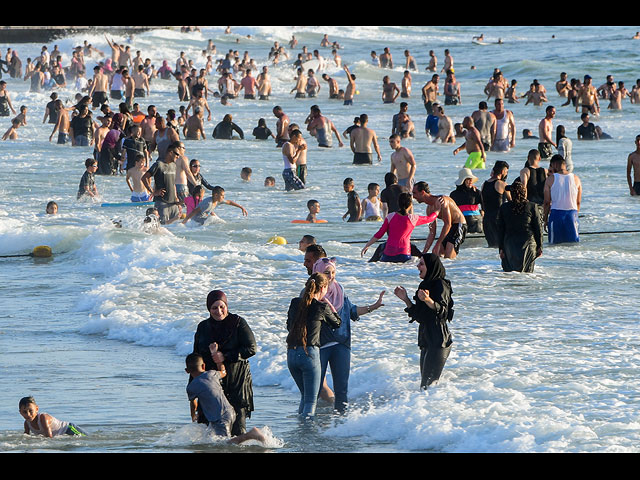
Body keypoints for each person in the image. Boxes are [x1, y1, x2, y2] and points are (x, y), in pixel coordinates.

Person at [312, 257, 385, 413]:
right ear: (317, 272)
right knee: (315, 388)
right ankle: (310, 424)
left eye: (333, 272)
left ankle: (341, 423)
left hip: (341, 344)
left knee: (342, 389)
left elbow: (352, 311)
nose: (330, 276)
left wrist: (374, 307)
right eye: (326, 272)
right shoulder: (311, 294)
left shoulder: (340, 291)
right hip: (320, 346)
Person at [192, 290, 257, 436]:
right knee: (208, 432)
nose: (219, 311)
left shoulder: (238, 323)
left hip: (236, 381)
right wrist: (194, 387)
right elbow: (196, 358)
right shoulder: (203, 327)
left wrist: (225, 356)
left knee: (237, 429)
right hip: (211, 386)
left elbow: (251, 348)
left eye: (222, 307)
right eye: (214, 308)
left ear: (227, 306)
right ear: (209, 309)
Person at [393, 253, 454, 389]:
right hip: (426, 339)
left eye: (421, 264)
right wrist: (406, 299)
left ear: (430, 266)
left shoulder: (441, 284)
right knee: (426, 385)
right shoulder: (424, 285)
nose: (418, 266)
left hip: (439, 341)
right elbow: (419, 316)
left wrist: (428, 300)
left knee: (427, 386)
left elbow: (443, 312)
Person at [286, 273, 342, 418]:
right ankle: (306, 435)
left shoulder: (294, 303)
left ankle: (300, 430)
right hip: (309, 353)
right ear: (323, 288)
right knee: (311, 401)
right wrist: (328, 303)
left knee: (305, 396)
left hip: (291, 354)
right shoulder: (321, 307)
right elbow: (337, 323)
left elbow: (288, 326)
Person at [185, 353, 265, 444]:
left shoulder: (191, 387)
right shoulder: (212, 374)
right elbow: (223, 372)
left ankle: (252, 434)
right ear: (203, 366)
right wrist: (218, 361)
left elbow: (193, 403)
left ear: (187, 371)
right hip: (228, 410)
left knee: (224, 444)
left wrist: (193, 416)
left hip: (220, 417)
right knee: (215, 439)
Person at [361, 192, 437, 263]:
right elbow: (430, 218)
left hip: (388, 256)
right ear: (410, 205)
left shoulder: (390, 216)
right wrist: (438, 210)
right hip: (404, 255)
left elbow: (379, 234)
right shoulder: (413, 218)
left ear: (398, 203)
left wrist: (367, 245)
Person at [412, 181, 467, 259]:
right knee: (438, 254)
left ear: (422, 192)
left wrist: (437, 244)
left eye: (415, 193)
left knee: (448, 258)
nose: (413, 196)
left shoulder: (441, 201)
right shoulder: (429, 209)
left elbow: (447, 224)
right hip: (449, 228)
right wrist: (424, 252)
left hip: (459, 225)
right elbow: (432, 232)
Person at [497, 181, 543, 273]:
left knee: (510, 274)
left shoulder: (504, 208)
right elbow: (538, 228)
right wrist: (540, 246)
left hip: (509, 244)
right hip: (529, 243)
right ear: (524, 193)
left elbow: (500, 230)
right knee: (527, 274)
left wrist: (501, 248)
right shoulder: (532, 207)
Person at [543, 155, 582, 244]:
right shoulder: (576, 179)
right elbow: (578, 202)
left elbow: (546, 202)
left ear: (554, 164)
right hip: (572, 214)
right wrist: (576, 215)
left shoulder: (550, 179)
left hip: (556, 214)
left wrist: (545, 219)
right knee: (573, 245)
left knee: (554, 245)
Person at [141, 142, 181, 224]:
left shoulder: (174, 165)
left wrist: (176, 198)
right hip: (162, 203)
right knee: (162, 227)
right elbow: (144, 178)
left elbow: (173, 183)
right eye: (176, 154)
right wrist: (153, 192)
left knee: (176, 229)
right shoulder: (159, 164)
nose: (178, 156)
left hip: (173, 203)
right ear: (170, 152)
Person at [19, 396, 87, 437]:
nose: (28, 414)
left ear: (37, 409)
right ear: (20, 413)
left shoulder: (43, 418)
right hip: (61, 435)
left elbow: (49, 437)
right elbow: (26, 437)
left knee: (86, 438)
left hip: (69, 429)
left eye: (31, 411)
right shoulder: (27, 423)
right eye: (24, 412)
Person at [481, 160, 511, 248]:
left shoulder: (484, 184)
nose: (506, 174)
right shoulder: (502, 184)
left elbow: (483, 203)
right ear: (502, 171)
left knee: (492, 246)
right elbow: (512, 201)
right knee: (502, 247)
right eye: (506, 172)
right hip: (499, 219)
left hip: (486, 220)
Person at [182, 186, 248, 225]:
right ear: (216, 195)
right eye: (222, 195)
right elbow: (195, 211)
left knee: (219, 220)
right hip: (196, 220)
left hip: (204, 218)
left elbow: (229, 202)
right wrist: (185, 220)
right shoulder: (208, 203)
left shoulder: (217, 201)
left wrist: (241, 207)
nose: (223, 197)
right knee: (214, 220)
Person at [449, 168, 483, 234]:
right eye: (468, 179)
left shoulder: (476, 192)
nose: (471, 181)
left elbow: (484, 207)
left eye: (471, 179)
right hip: (461, 222)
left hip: (476, 223)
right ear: (463, 180)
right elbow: (451, 212)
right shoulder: (454, 194)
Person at [519, 149, 548, 215]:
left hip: (530, 203)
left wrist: (523, 202)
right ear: (540, 158)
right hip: (542, 204)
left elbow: (524, 186)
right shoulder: (546, 171)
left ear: (528, 158)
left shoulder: (525, 171)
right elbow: (549, 188)